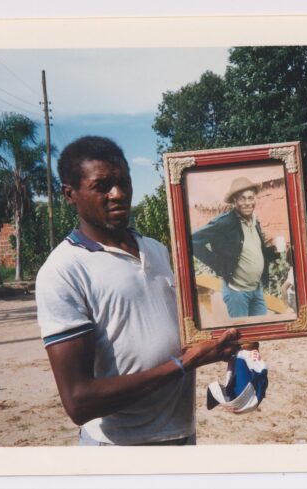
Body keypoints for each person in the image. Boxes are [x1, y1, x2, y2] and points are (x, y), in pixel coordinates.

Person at [35, 135, 240, 446]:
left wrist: (231, 342)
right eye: (101, 186)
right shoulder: (64, 270)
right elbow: (79, 402)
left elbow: (186, 333)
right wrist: (184, 364)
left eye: (124, 183)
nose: (118, 194)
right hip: (119, 448)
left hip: (181, 435)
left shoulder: (156, 251)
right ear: (70, 194)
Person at [192, 176, 276, 318]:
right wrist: (219, 264)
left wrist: (274, 251)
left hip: (256, 290)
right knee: (243, 337)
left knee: (259, 334)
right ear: (234, 201)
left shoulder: (255, 222)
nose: (248, 203)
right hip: (236, 292)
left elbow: (252, 251)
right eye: (242, 198)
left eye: (251, 198)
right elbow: (193, 241)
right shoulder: (224, 222)